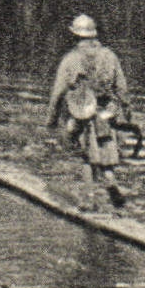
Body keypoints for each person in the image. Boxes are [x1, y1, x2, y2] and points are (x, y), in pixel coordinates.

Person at [46, 14, 131, 209]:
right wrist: (127, 113)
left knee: (86, 156)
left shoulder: (70, 59)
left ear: (75, 36)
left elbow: (58, 93)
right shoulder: (110, 56)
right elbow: (122, 89)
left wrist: (52, 119)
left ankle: (88, 200)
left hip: (83, 112)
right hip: (106, 111)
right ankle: (111, 184)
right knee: (105, 152)